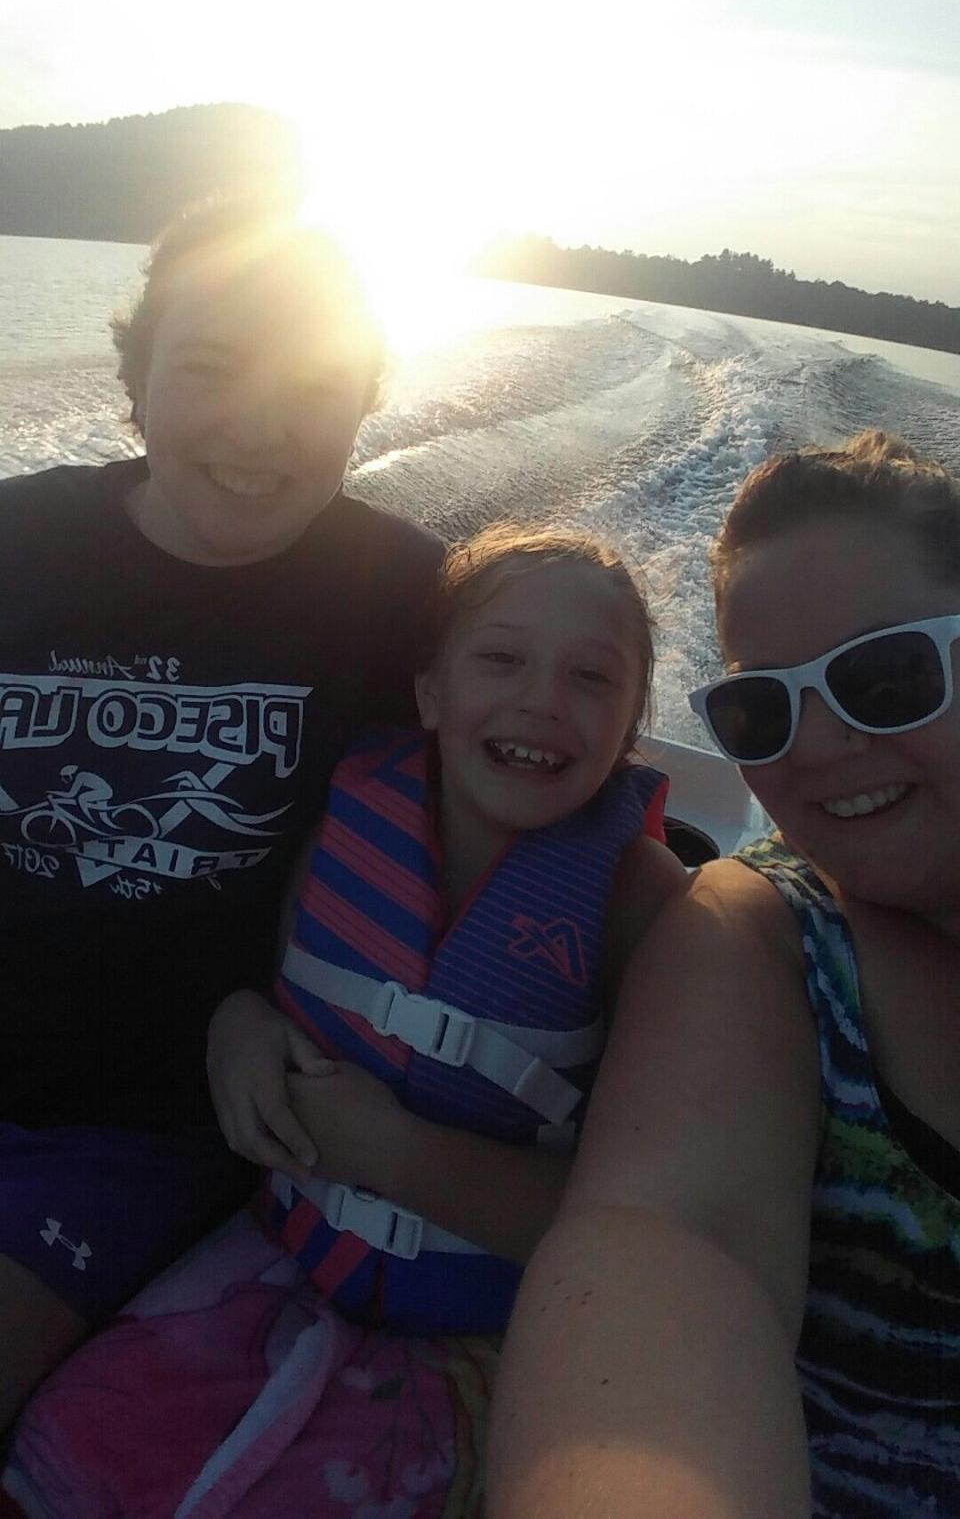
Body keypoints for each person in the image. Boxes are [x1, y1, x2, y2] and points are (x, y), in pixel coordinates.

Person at [3, 524, 686, 1518]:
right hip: (278, 1264)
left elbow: (653, 1224)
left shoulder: (643, 905)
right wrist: (235, 1022)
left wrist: (396, 1154)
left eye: (593, 678)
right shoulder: (344, 827)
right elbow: (274, 987)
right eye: (501, 659)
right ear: (429, 694)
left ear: (629, 730)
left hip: (485, 1336)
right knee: (70, 1447)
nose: (543, 699)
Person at [0, 195, 443, 1432]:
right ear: (134, 380)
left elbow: (526, 814)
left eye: (316, 382)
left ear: (367, 401)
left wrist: (260, 1001)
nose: (261, 423)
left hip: (136, 1116)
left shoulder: (409, 600)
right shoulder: (15, 542)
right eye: (207, 368)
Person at [488, 430, 960, 1519]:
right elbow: (663, 1241)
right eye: (763, 708)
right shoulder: (757, 942)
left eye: (887, 676)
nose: (826, 742)